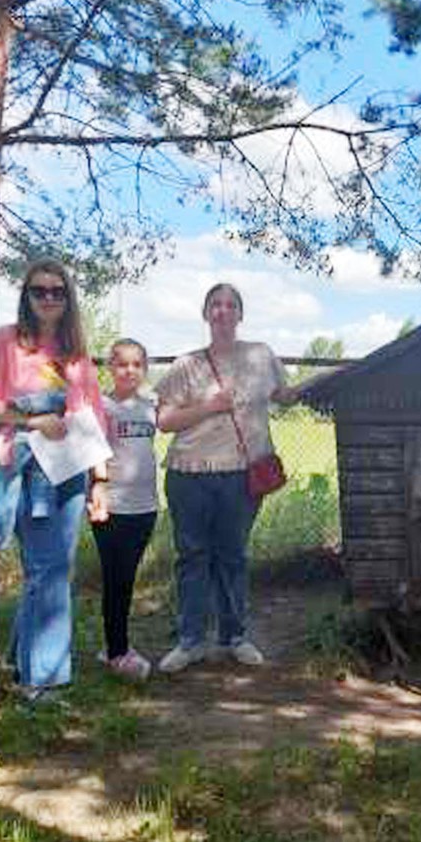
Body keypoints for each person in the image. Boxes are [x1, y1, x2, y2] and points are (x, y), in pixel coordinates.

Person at [0, 257, 108, 702]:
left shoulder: (74, 351)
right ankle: (43, 680)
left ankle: (23, 659)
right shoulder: (7, 342)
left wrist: (101, 480)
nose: (48, 298)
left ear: (68, 299)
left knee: (50, 569)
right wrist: (33, 419)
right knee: (49, 569)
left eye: (57, 292)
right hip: (24, 469)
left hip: (70, 468)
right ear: (26, 296)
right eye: (39, 291)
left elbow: (93, 415)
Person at [154, 283, 297, 673]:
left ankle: (235, 637)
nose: (222, 311)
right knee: (192, 557)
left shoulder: (261, 355)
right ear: (205, 313)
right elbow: (164, 422)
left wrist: (326, 386)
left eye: (230, 304)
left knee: (232, 556)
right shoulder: (186, 365)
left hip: (240, 477)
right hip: (190, 474)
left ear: (240, 314)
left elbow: (285, 395)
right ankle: (190, 641)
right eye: (215, 304)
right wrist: (209, 407)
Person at [90, 338, 159, 682]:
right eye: (122, 364)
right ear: (110, 368)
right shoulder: (102, 406)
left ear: (144, 369)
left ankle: (114, 645)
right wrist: (98, 489)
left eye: (137, 364)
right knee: (115, 579)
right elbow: (94, 452)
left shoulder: (152, 405)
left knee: (127, 580)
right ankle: (118, 652)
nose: (129, 370)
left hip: (145, 507)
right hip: (111, 507)